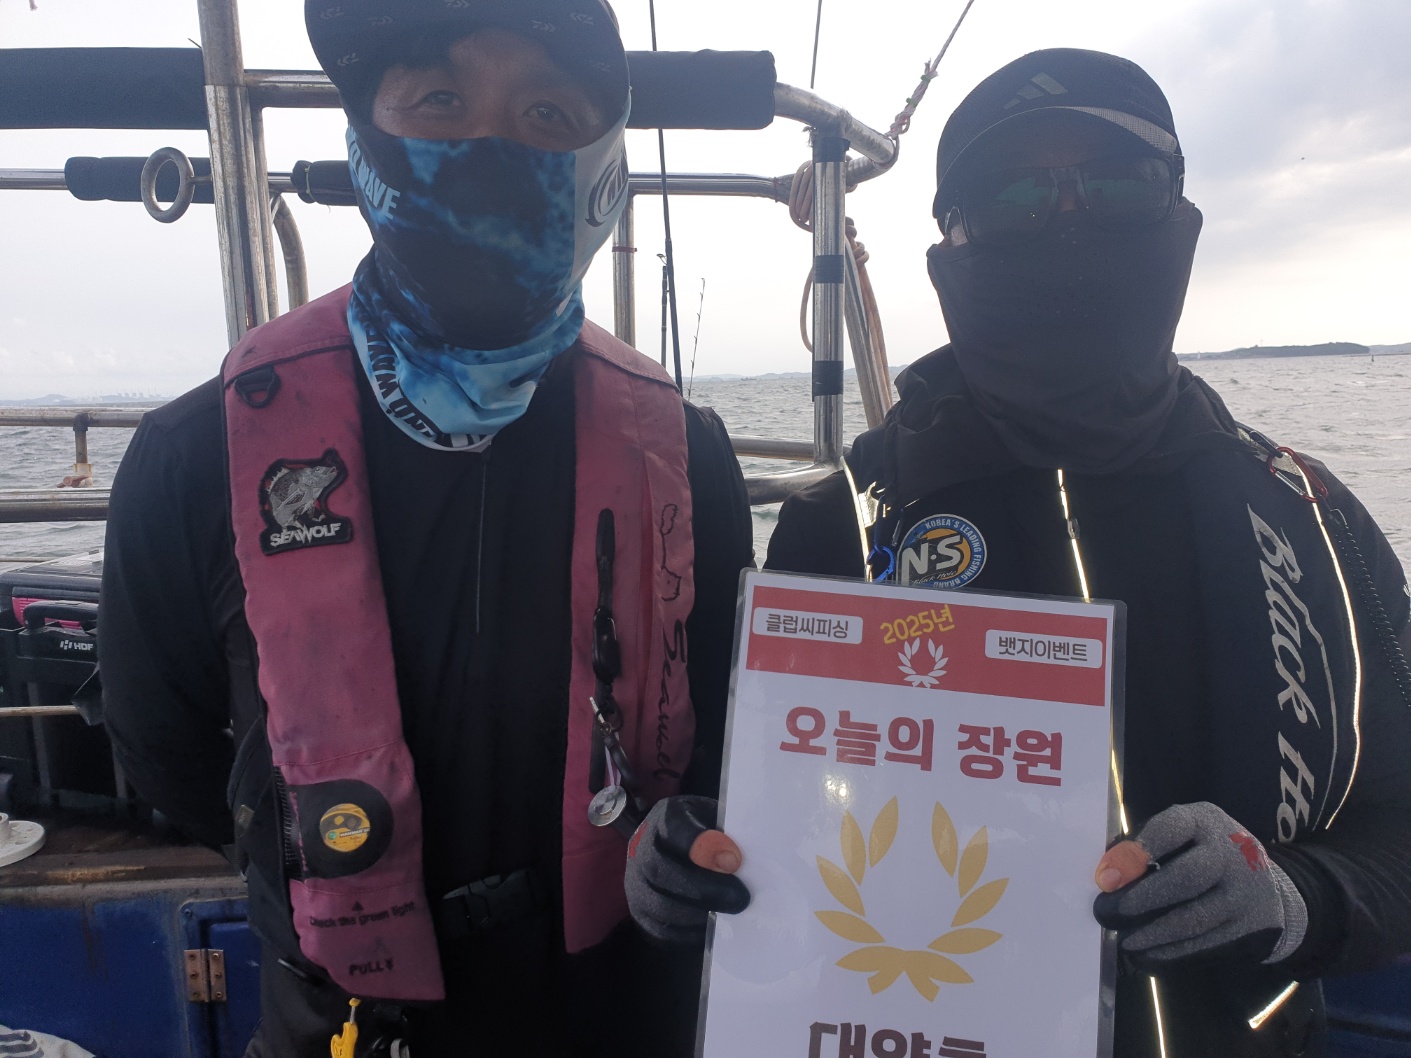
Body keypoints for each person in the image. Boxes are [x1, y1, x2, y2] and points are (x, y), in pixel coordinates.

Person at [98, 2, 753, 1054]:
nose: (487, 145)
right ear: (366, 135)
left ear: (603, 167)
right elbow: (161, 747)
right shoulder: (194, 453)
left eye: (546, 112)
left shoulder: (686, 453)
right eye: (439, 100)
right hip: (342, 1022)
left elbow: (730, 739)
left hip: (618, 1010)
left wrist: (688, 840)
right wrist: (303, 864)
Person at [765, 48, 1411, 1057]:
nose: (1068, 221)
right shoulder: (839, 526)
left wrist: (1297, 899)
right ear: (950, 245)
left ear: (1179, 214)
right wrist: (692, 858)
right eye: (1014, 200)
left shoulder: (1314, 519)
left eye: (1117, 187)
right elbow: (762, 831)